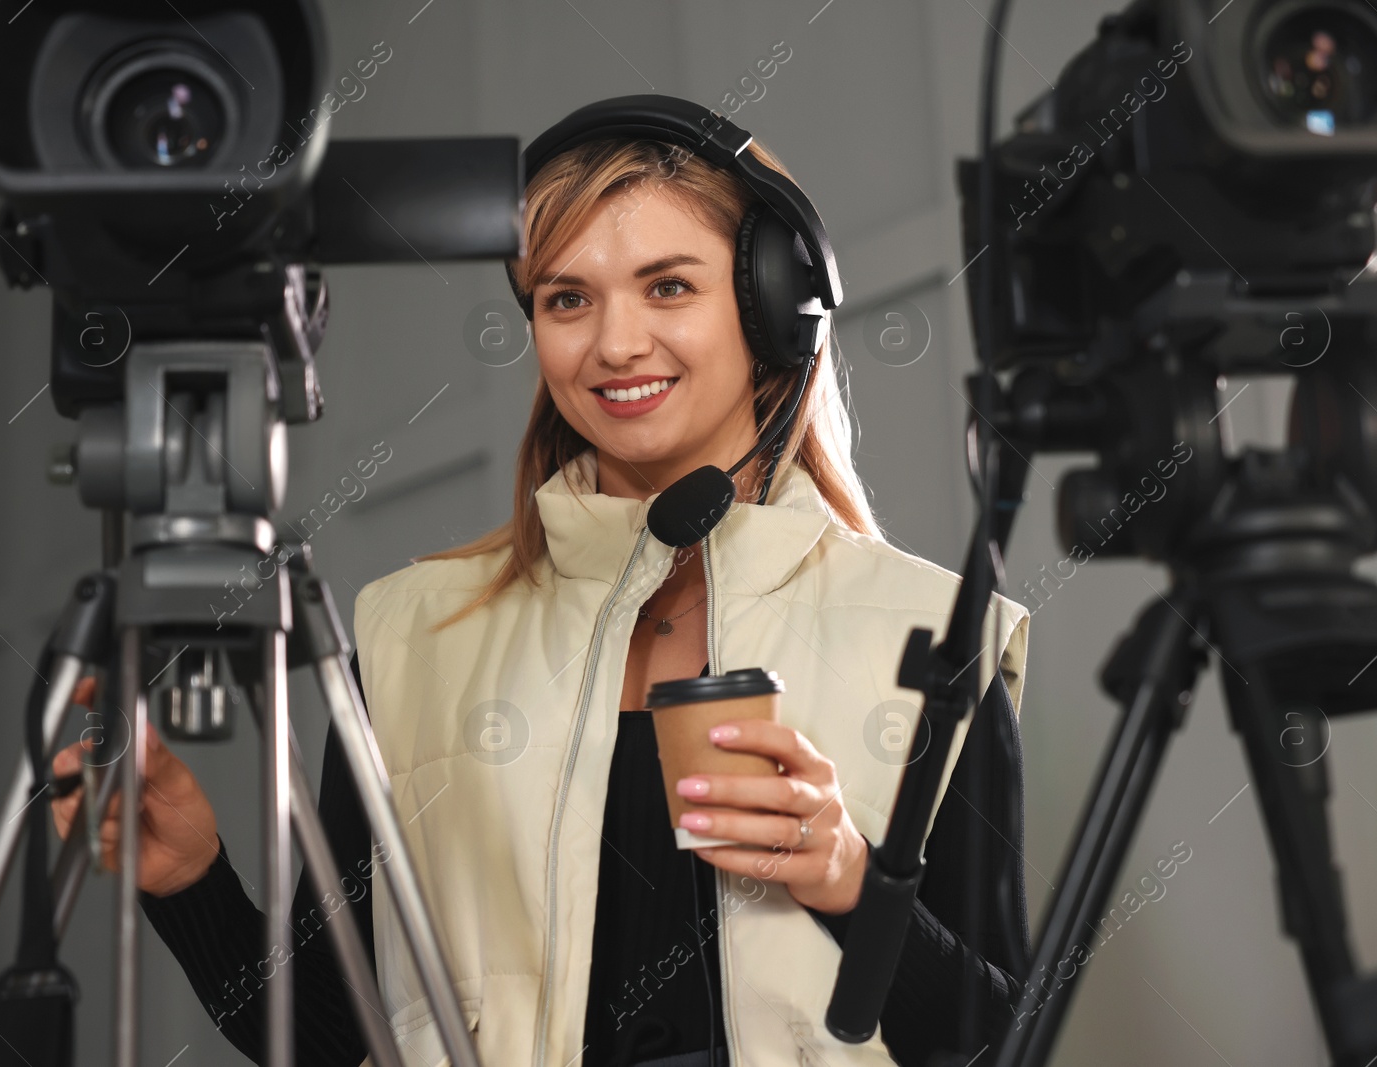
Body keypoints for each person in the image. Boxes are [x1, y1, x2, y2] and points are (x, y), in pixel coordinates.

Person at [52, 100, 1031, 1067]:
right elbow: (337, 1034)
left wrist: (852, 879)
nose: (613, 345)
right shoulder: (412, 635)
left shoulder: (934, 634)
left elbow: (1003, 1035)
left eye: (668, 287)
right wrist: (188, 879)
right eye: (567, 298)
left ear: (775, 307)